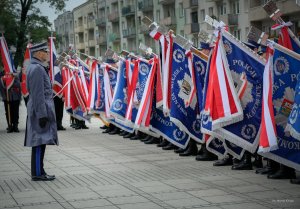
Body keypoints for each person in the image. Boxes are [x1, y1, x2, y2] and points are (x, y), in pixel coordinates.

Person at [24, 41, 58, 181]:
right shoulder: (37, 69)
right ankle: (37, 173)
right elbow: (38, 94)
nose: (47, 54)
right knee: (39, 141)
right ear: (38, 53)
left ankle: (40, 170)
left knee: (41, 141)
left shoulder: (35, 67)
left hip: (39, 109)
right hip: (40, 110)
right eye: (45, 52)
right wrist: (42, 115)